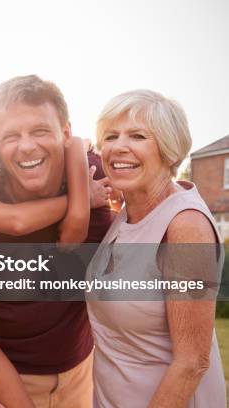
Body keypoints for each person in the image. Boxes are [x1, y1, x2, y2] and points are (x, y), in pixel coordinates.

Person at [0, 75, 113, 408]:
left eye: (40, 130)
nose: (27, 146)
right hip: (4, 387)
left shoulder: (94, 178)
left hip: (80, 376)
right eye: (11, 136)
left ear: (66, 133)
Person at [87, 89, 226, 407]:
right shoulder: (126, 213)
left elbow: (192, 363)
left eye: (137, 135)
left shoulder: (185, 227)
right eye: (110, 136)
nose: (119, 146)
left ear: (169, 150)